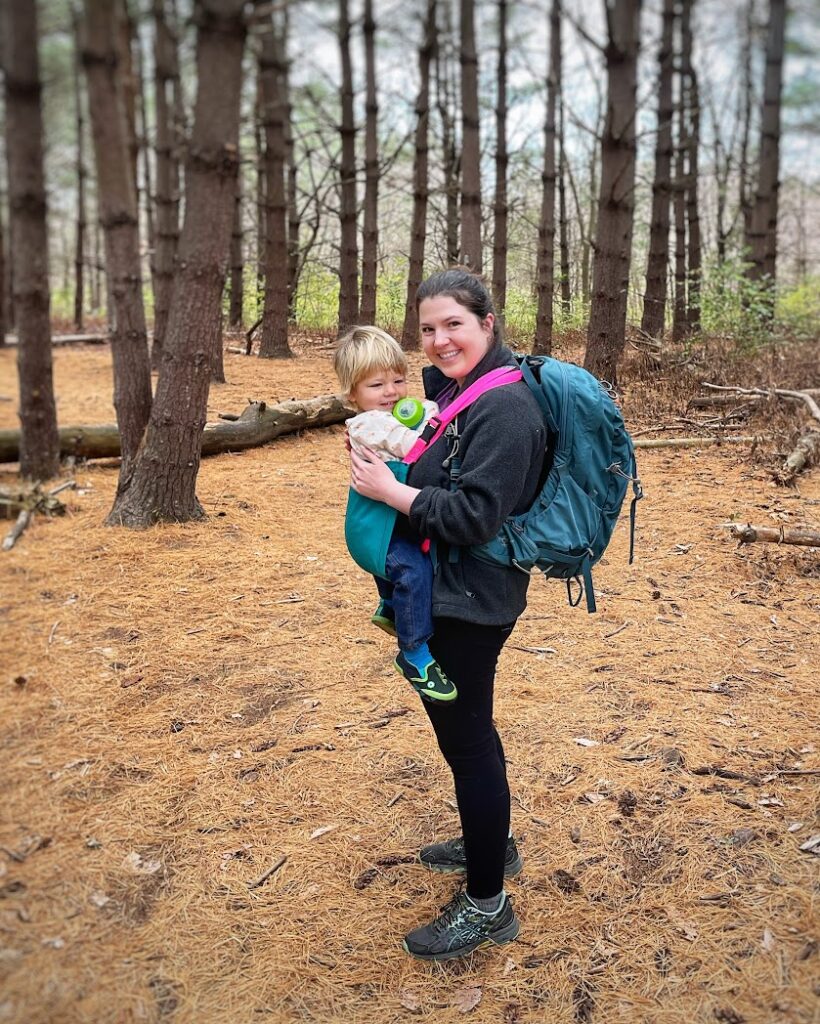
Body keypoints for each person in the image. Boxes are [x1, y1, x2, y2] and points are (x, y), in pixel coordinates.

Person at [348, 269, 547, 961]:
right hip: (453, 589)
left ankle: (489, 905)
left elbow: (472, 514)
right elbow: (427, 443)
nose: (438, 341)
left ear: (488, 323)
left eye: (453, 325)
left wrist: (387, 490)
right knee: (469, 736)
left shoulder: (507, 410)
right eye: (428, 329)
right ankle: (492, 840)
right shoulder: (463, 389)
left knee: (467, 743)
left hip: (473, 600)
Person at [333, 326, 457, 703]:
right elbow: (412, 445)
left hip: (390, 523)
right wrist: (437, 417)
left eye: (398, 380)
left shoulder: (385, 414)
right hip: (375, 529)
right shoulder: (370, 424)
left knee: (414, 560)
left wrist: (425, 410)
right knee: (413, 570)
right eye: (376, 385)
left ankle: (391, 606)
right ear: (352, 394)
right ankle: (414, 653)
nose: (391, 392)